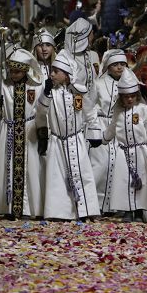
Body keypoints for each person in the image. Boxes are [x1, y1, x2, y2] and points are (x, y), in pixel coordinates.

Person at [36, 49, 101, 221]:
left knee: (82, 174)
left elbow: (89, 111)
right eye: (52, 71)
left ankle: (86, 210)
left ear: (67, 74)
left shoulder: (78, 92)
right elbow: (41, 111)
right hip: (57, 142)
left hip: (76, 139)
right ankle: (60, 212)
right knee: (58, 179)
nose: (52, 75)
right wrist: (46, 93)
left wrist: (95, 131)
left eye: (56, 72)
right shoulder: (51, 93)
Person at [0, 48, 45, 219]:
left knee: (30, 169)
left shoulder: (35, 87)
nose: (13, 75)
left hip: (28, 131)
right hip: (10, 130)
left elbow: (40, 110)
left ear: (26, 70)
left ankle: (29, 208)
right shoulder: (2, 85)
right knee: (8, 167)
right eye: (11, 71)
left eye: (17, 71)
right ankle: (8, 207)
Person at [101, 68, 147, 220]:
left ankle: (139, 211)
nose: (129, 100)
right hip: (124, 153)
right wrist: (103, 139)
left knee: (142, 181)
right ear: (121, 97)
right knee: (124, 181)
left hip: (141, 151)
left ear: (137, 95)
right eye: (126, 97)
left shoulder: (143, 109)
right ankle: (127, 211)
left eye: (132, 96)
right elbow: (113, 127)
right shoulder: (118, 112)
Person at [91, 49, 128, 212]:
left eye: (122, 64)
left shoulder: (129, 83)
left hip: (121, 129)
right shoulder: (98, 84)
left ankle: (115, 206)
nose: (120, 68)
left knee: (120, 165)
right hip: (102, 126)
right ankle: (95, 204)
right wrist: (94, 129)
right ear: (108, 66)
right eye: (115, 64)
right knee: (100, 165)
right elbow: (89, 107)